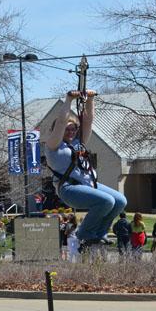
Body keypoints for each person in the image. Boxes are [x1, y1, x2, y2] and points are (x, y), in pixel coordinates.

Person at [41, 89, 127, 249]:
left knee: (120, 201)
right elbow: (60, 122)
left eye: (73, 128)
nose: (71, 131)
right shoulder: (53, 146)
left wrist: (90, 99)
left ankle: (100, 233)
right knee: (107, 201)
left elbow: (88, 121)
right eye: (68, 129)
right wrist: (68, 100)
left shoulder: (78, 142)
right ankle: (84, 233)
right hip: (69, 188)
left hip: (88, 185)